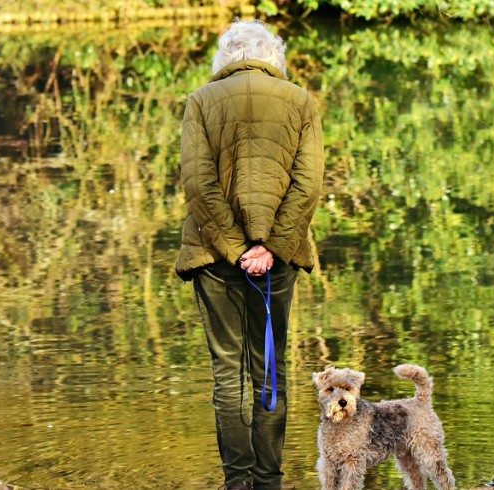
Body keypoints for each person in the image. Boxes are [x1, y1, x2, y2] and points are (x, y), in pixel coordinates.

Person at [175, 20, 325, 490]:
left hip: (213, 257)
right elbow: (309, 185)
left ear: (226, 57)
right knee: (270, 366)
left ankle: (237, 482)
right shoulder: (301, 100)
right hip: (275, 261)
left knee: (228, 371)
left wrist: (237, 248)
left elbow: (197, 183)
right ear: (271, 56)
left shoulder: (201, 100)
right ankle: (270, 481)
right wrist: (270, 247)